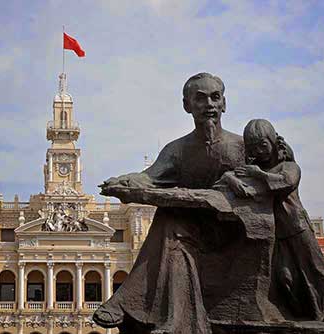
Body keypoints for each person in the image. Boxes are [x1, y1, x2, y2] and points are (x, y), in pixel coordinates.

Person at [94, 73, 249, 334]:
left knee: (172, 222)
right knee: (171, 221)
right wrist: (125, 182)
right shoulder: (177, 150)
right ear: (187, 105)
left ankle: (127, 303)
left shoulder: (241, 148)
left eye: (215, 97)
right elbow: (149, 177)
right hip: (194, 233)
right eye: (200, 99)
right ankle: (174, 322)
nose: (209, 104)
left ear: (224, 104)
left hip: (235, 231)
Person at [231, 119, 324, 321]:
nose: (260, 151)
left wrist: (259, 175)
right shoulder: (254, 171)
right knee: (285, 276)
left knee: (317, 269)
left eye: (263, 145)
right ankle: (305, 311)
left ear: (272, 141)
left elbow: (285, 182)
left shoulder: (289, 167)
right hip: (277, 232)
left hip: (298, 227)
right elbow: (236, 179)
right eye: (255, 148)